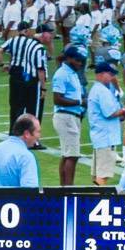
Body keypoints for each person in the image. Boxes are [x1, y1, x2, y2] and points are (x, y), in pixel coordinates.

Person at [87, 61, 125, 186]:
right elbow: (110, 113)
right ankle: (99, 200)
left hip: (101, 136)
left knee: (98, 174)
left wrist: (122, 113)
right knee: (103, 175)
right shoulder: (102, 91)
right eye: (110, 74)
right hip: (105, 137)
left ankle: (94, 198)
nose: (112, 77)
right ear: (101, 74)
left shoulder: (98, 89)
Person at [0, 24, 47, 130]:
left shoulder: (12, 40)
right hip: (26, 74)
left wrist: (2, 65)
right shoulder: (31, 43)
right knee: (27, 106)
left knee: (14, 105)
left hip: (14, 73)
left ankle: (13, 131)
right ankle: (26, 133)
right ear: (27, 31)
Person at [51, 46, 86, 186]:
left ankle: (64, 188)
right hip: (66, 116)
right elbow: (57, 99)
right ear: (69, 58)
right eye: (78, 60)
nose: (80, 63)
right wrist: (79, 102)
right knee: (72, 155)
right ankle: (68, 188)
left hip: (72, 116)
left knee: (67, 155)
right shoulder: (62, 74)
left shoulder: (72, 73)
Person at [0, 114, 41, 189]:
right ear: (27, 134)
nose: (39, 136)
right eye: (38, 132)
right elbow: (30, 191)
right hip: (15, 201)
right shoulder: (26, 157)